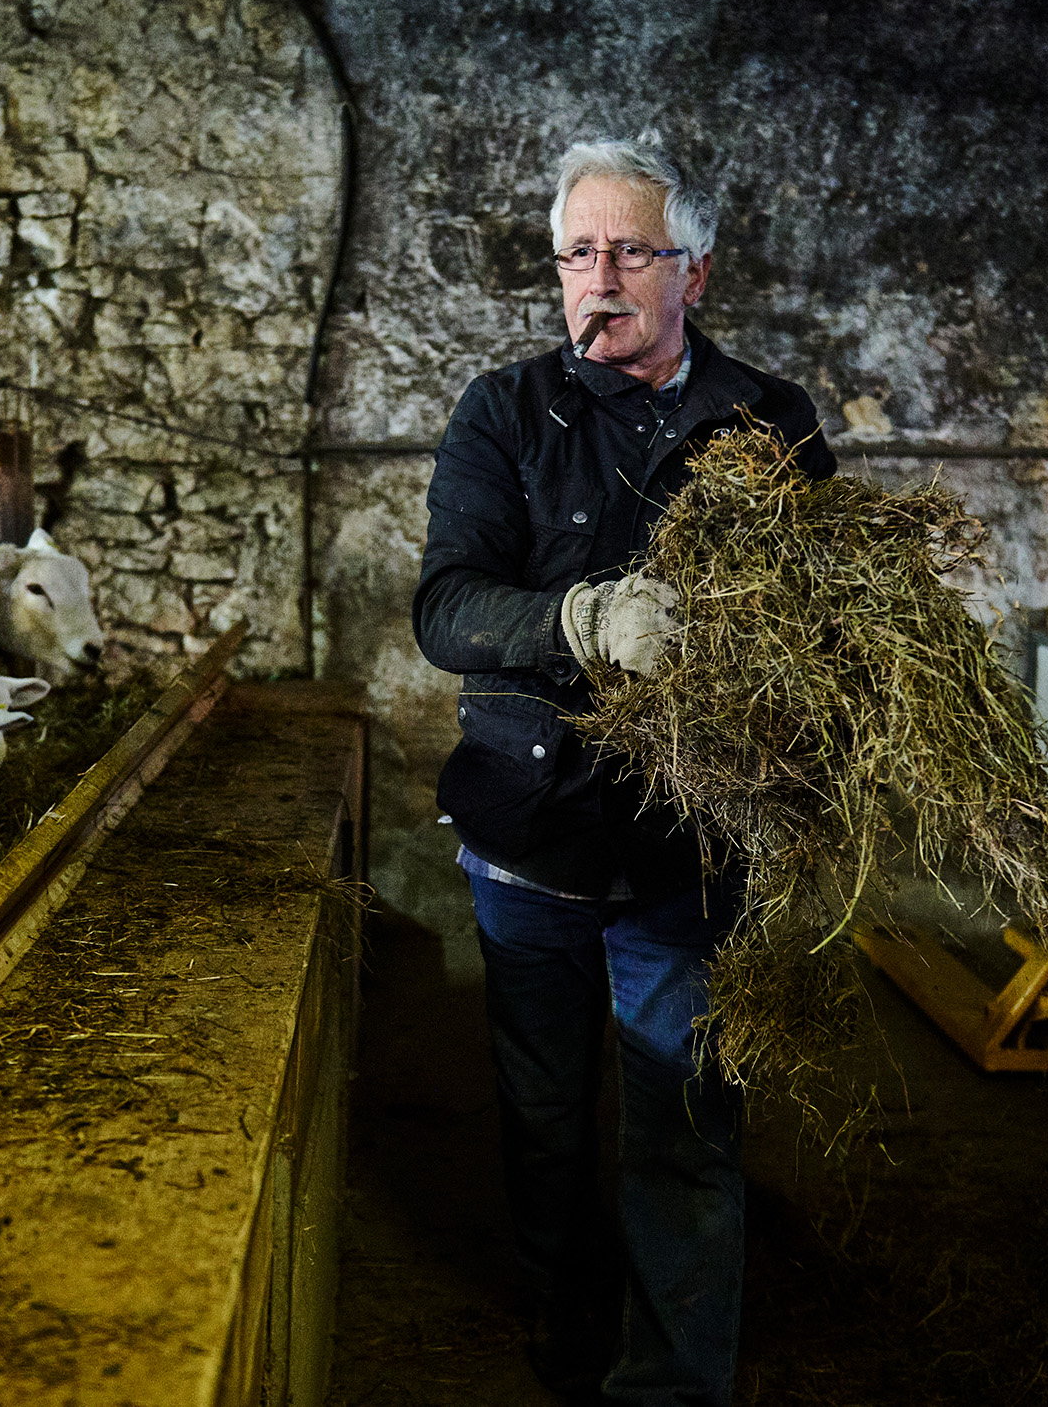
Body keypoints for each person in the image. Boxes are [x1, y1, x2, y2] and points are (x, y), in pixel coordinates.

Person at [412, 138, 837, 1406]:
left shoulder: (767, 422)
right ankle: (564, 1312)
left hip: (685, 841)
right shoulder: (501, 413)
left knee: (684, 1116)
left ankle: (668, 1380)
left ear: (692, 273)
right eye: (577, 253)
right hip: (529, 830)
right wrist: (580, 622)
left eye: (629, 252)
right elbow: (446, 609)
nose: (599, 277)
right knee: (546, 1112)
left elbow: (821, 614)